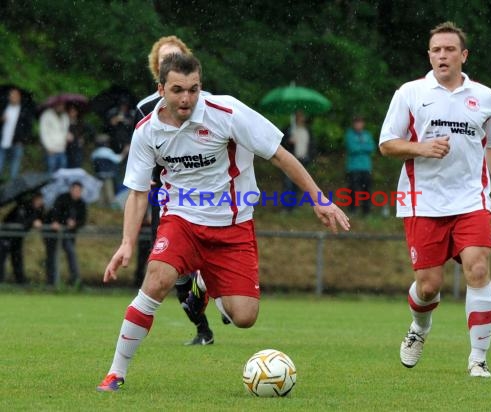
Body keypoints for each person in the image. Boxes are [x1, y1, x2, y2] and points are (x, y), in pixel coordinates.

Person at [96, 53, 350, 392]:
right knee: (157, 280)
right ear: (161, 90)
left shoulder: (227, 112)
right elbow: (139, 193)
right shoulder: (147, 132)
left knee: (244, 317)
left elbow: (279, 154)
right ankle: (116, 373)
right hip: (181, 219)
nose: (186, 98)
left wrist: (319, 198)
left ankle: (203, 283)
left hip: (233, 225)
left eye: (193, 89)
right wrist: (127, 242)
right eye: (177, 90)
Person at [379, 21, 491, 378]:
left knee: (479, 269)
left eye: (450, 49)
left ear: (463, 55)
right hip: (422, 201)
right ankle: (419, 330)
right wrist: (421, 147)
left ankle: (478, 359)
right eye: (436, 50)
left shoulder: (485, 97)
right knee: (429, 286)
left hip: (471, 200)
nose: (442, 55)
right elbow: (387, 143)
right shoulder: (409, 93)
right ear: (429, 55)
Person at [134, 35, 218, 347]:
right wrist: (147, 184)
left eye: (177, 57)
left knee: (208, 256)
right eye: (164, 60)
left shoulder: (206, 105)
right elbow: (141, 151)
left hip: (207, 195)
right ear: (157, 71)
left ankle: (218, 289)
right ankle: (203, 329)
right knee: (174, 271)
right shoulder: (145, 109)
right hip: (167, 197)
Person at [43, 181, 87, 286]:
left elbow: (83, 220)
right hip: (53, 234)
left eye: (79, 191)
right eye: (75, 190)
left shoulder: (81, 204)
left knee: (71, 253)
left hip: (67, 234)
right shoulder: (62, 198)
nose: (77, 192)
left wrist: (74, 223)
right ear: (71, 190)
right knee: (52, 256)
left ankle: (75, 280)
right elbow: (55, 212)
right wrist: (57, 222)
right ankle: (51, 281)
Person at [0, 192, 44, 284]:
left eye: (41, 199)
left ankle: (20, 282)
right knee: (2, 259)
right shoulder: (23, 207)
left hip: (18, 238)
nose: (40, 202)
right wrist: (33, 221)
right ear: (33, 199)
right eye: (38, 199)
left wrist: (37, 221)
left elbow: (41, 219)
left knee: (17, 260)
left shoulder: (39, 209)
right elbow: (22, 222)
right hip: (7, 236)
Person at [0, 87, 35, 179]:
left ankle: (12, 190)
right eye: (10, 95)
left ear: (19, 97)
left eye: (14, 95)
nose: (11, 97)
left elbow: (27, 127)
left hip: (17, 142)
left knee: (14, 169)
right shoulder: (4, 107)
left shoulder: (24, 111)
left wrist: (23, 140)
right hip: (3, 141)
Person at [344, 115, 375, 217]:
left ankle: (366, 211)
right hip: (353, 167)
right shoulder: (349, 135)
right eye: (357, 122)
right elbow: (352, 148)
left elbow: (372, 147)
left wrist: (360, 147)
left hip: (366, 167)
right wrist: (363, 147)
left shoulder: (367, 135)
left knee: (366, 190)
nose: (358, 124)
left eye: (360, 122)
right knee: (353, 189)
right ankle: (352, 210)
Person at [282, 110, 312, 211]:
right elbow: (282, 145)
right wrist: (289, 141)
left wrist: (311, 156)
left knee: (299, 184)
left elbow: (311, 145)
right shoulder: (289, 130)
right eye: (299, 116)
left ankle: (295, 206)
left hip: (303, 159)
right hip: (291, 159)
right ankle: (287, 207)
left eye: (302, 116)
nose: (300, 118)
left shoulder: (307, 130)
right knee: (288, 184)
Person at [39, 100, 70, 174]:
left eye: (62, 105)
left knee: (62, 172)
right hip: (51, 150)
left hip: (62, 149)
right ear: (55, 105)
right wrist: (48, 147)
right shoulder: (46, 115)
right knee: (50, 172)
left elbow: (65, 131)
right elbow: (43, 133)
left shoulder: (65, 116)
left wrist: (67, 137)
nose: (61, 107)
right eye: (59, 105)